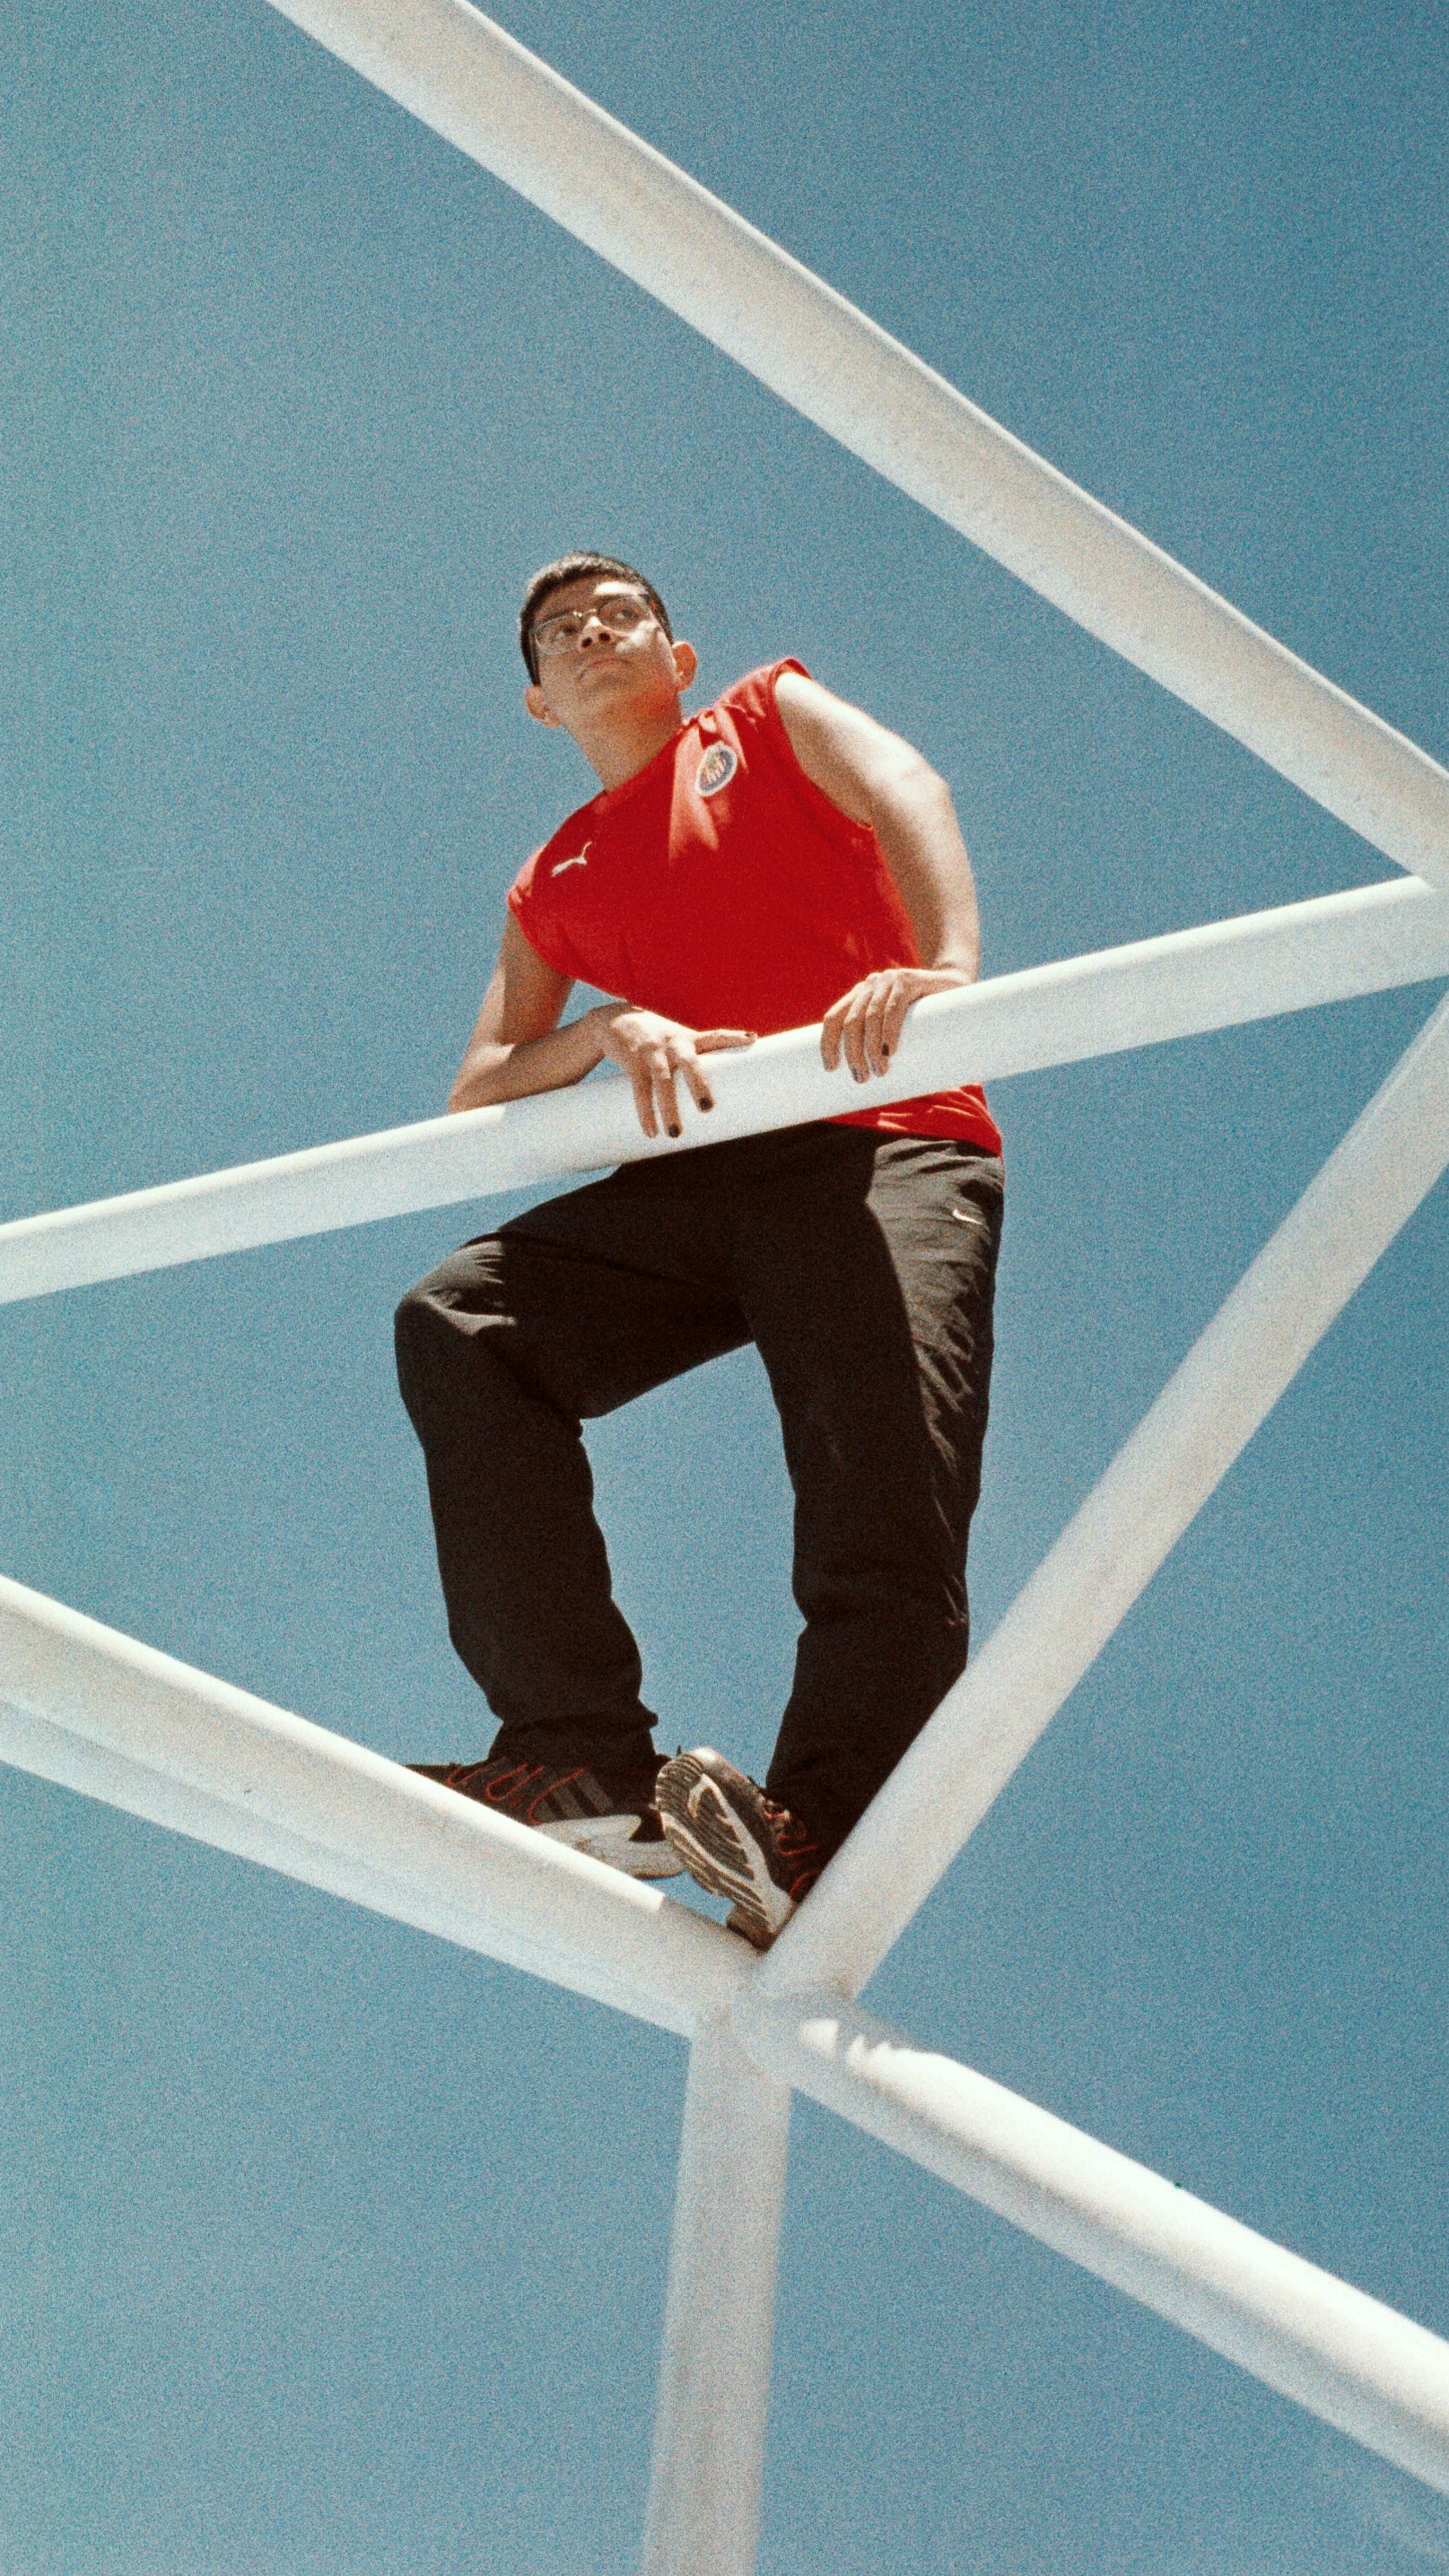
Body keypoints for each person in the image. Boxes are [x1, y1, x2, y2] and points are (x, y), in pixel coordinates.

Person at [393, 553, 1004, 1944]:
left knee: (881, 1490)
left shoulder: (766, 715)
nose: (594, 634)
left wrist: (947, 972)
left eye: (623, 617)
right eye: (561, 632)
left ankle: (816, 1835)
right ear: (538, 702)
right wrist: (608, 1032)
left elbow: (909, 789)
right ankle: (579, 1756)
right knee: (463, 1323)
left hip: (881, 1132)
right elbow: (482, 1080)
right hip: (704, 1168)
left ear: (676, 657)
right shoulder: (553, 876)